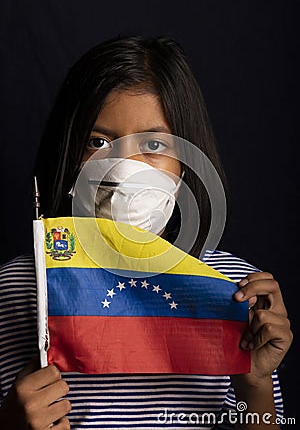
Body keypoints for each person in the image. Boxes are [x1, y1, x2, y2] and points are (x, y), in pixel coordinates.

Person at [0, 36, 292, 429]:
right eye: (97, 142)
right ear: (69, 157)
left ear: (186, 164)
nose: (123, 170)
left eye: (154, 144)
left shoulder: (232, 289)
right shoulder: (18, 286)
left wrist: (254, 384)